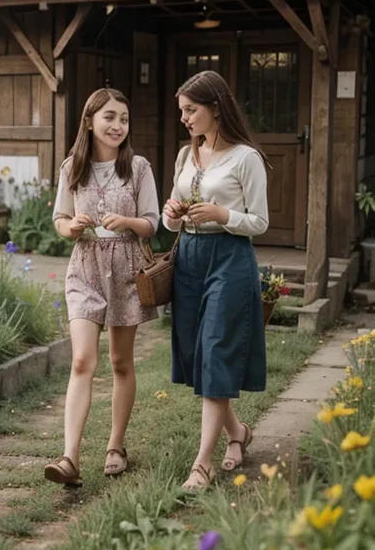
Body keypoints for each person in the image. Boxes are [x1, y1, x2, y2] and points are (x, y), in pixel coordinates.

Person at [45, 87, 159, 488]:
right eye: (109, 117)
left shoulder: (138, 167)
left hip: (126, 267)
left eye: (124, 119)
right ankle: (69, 458)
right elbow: (60, 218)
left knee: (120, 363)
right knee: (82, 361)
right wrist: (70, 227)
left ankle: (115, 445)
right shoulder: (71, 167)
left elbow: (152, 222)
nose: (117, 125)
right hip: (86, 267)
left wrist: (127, 223)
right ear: (90, 121)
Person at [162, 70, 269, 490]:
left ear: (216, 108)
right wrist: (173, 214)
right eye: (182, 112)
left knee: (216, 350)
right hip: (189, 257)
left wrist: (222, 215)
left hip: (230, 258)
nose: (185, 119)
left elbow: (259, 222)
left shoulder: (247, 158)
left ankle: (201, 464)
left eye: (191, 110)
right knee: (198, 354)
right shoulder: (186, 156)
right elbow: (174, 216)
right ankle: (238, 432)